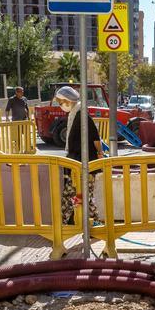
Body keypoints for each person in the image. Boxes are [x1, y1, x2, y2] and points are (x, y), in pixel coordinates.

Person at [56, 86, 102, 224]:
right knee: (81, 196)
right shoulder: (75, 115)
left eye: (61, 102)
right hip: (77, 163)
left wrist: (100, 154)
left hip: (84, 163)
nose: (60, 105)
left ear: (68, 100)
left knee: (75, 195)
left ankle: (63, 225)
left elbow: (95, 137)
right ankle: (94, 223)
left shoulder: (82, 116)